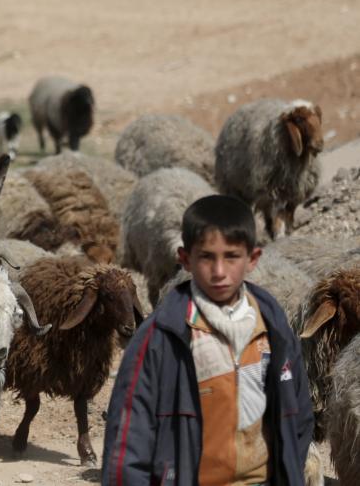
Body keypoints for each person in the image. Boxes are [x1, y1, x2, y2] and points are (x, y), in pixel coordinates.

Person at [101, 195, 313, 486]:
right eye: (206, 257)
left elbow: (298, 415)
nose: (219, 272)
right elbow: (128, 440)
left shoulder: (274, 328)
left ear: (252, 259)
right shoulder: (160, 337)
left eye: (231, 256)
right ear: (185, 259)